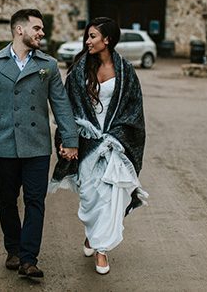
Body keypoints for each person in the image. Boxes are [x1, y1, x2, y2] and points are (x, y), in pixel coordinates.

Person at [0, 8, 79, 278]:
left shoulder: (48, 65)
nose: (42, 33)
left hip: (37, 146)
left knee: (35, 201)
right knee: (7, 200)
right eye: (37, 28)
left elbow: (61, 105)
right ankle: (14, 250)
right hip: (6, 145)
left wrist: (70, 139)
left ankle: (29, 259)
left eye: (41, 29)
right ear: (20, 30)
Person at [49, 17, 148, 275]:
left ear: (108, 39)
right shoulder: (79, 70)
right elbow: (67, 110)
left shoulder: (126, 71)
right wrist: (68, 139)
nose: (87, 41)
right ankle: (92, 235)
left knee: (113, 195)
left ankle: (101, 249)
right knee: (90, 196)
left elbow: (134, 110)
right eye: (87, 36)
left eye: (92, 36)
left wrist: (116, 137)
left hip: (115, 143)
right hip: (87, 143)